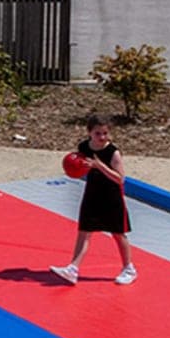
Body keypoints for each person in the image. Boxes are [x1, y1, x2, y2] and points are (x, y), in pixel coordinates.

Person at [51, 115, 136, 286]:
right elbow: (80, 166)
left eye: (105, 133)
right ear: (89, 132)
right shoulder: (83, 147)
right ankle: (73, 269)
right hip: (92, 193)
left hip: (112, 197)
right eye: (98, 133)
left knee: (118, 234)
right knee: (84, 231)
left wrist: (100, 166)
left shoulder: (113, 152)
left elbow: (120, 179)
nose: (102, 137)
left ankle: (129, 268)